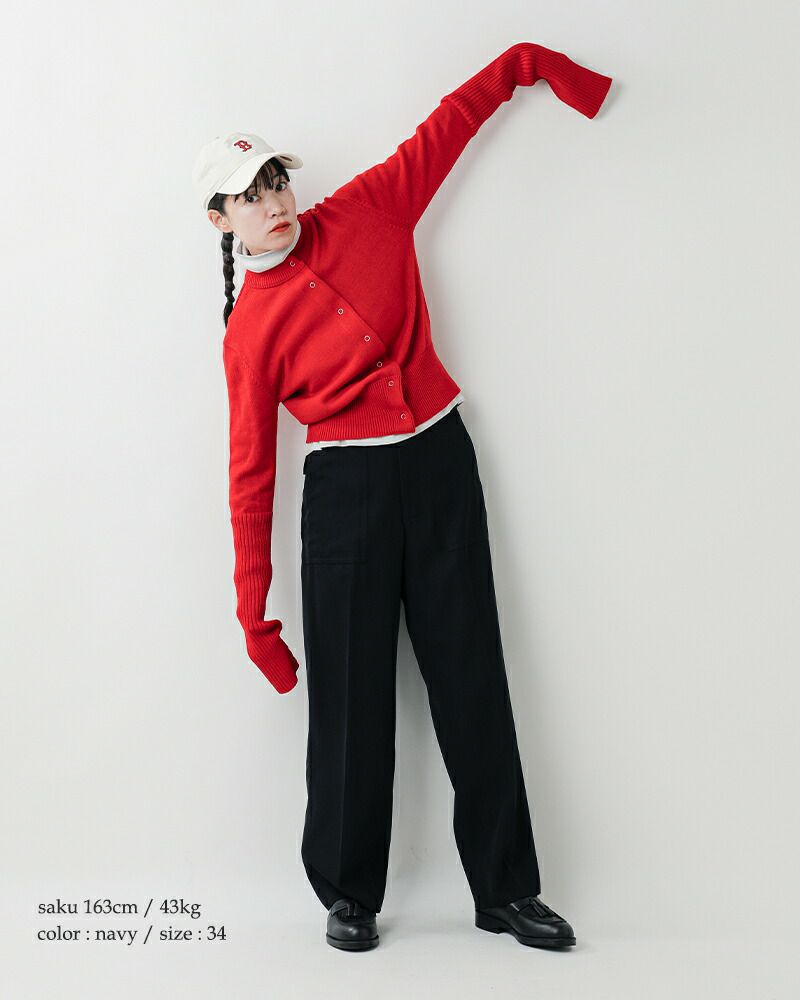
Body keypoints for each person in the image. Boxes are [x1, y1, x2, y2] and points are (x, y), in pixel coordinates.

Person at [192, 40, 613, 952]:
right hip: (345, 493)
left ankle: (506, 889)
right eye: (250, 197)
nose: (273, 204)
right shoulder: (248, 333)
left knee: (471, 674)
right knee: (350, 698)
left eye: (277, 183)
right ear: (221, 220)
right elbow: (250, 474)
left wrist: (525, 66)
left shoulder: (371, 206)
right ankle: (349, 893)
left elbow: (446, 127)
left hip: (438, 464)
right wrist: (253, 614)